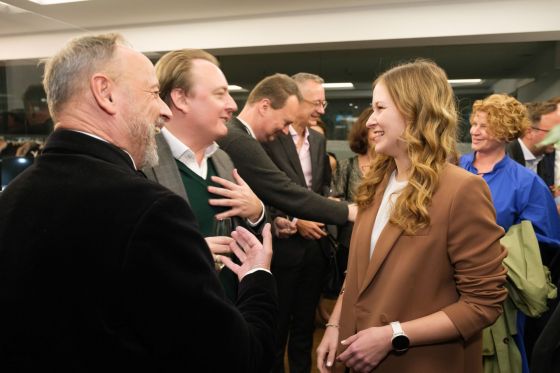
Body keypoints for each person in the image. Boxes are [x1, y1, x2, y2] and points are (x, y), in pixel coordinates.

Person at [0, 33, 278, 372]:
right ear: (106, 93)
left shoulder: (12, 198)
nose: (163, 110)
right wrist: (258, 277)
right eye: (152, 93)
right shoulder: (150, 209)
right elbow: (235, 358)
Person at [316, 59, 508, 373]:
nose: (369, 121)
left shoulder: (462, 190)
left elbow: (482, 303)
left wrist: (394, 335)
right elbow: (357, 274)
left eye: (380, 108)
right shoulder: (376, 184)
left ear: (414, 111)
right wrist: (335, 327)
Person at [143, 48, 266, 301]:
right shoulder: (141, 162)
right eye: (220, 94)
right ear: (181, 98)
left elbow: (243, 239)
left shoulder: (221, 158)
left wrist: (256, 213)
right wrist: (187, 256)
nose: (232, 105)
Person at [460, 93, 560, 373]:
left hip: (499, 293)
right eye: (474, 123)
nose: (474, 131)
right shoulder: (454, 169)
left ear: (504, 132)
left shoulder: (526, 183)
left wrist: (500, 243)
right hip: (447, 283)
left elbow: (546, 243)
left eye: (484, 126)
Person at [260, 72, 331, 373]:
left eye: (324, 103)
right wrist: (293, 220)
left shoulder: (318, 139)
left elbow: (319, 189)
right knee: (276, 330)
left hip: (314, 250)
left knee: (305, 329)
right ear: (296, 100)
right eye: (317, 103)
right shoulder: (271, 137)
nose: (322, 110)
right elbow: (263, 192)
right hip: (282, 249)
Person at [218, 74, 357, 226]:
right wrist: (348, 211)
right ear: (264, 107)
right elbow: (284, 191)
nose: (285, 131)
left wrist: (274, 221)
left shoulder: (239, 135)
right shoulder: (239, 140)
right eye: (285, 122)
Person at [331, 106, 375, 252]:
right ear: (364, 131)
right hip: (349, 244)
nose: (377, 133)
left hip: (380, 244)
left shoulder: (394, 167)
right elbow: (334, 204)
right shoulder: (346, 167)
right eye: (373, 128)